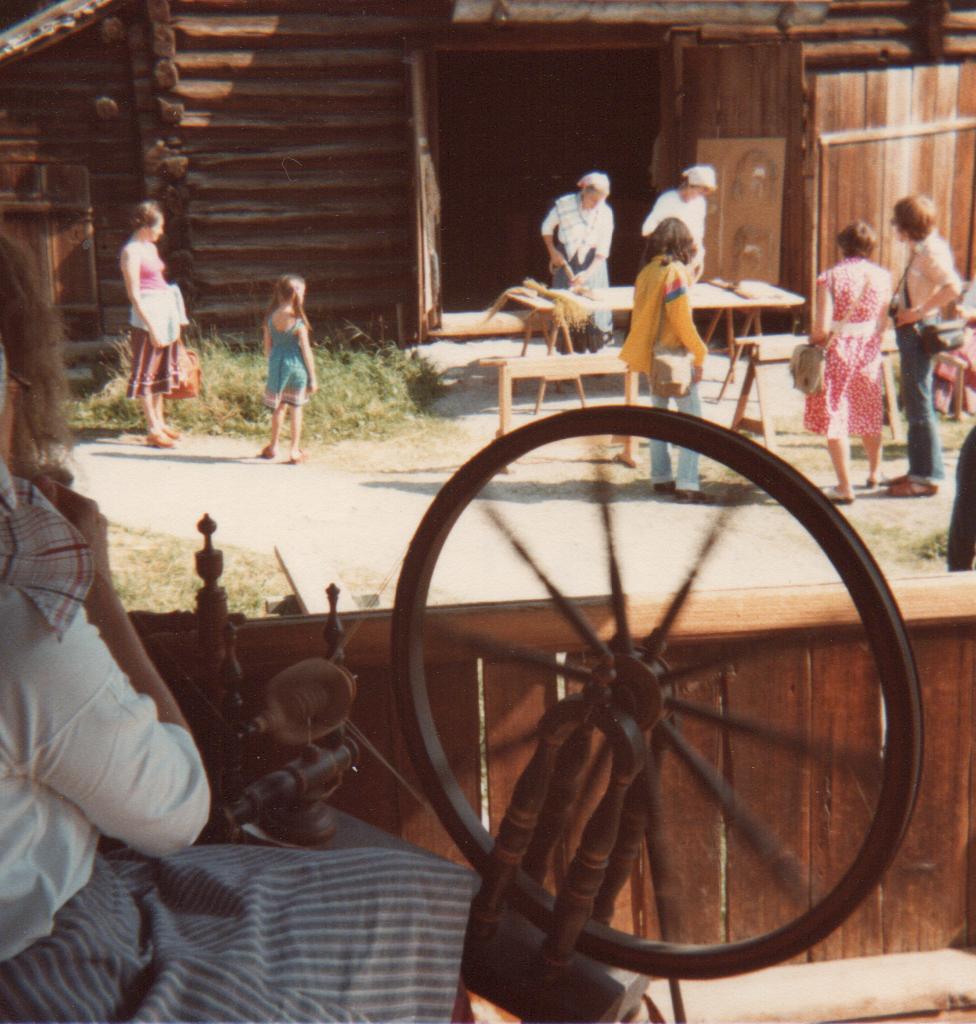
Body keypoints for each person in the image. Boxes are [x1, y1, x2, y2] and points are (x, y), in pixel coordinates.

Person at [0, 232, 476, 1021]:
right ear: (16, 390)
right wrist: (101, 590)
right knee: (414, 898)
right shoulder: (23, 630)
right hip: (52, 968)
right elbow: (180, 811)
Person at [619, 217, 709, 503]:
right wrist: (700, 352)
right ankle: (688, 483)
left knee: (658, 419)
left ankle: (661, 477)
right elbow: (681, 320)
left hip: (650, 356)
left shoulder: (646, 272)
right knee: (693, 419)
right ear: (683, 244)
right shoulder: (675, 272)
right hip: (674, 358)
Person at [803, 221, 892, 505]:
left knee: (836, 416)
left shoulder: (830, 278)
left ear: (842, 246)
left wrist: (813, 340)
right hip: (868, 349)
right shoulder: (882, 277)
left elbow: (820, 327)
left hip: (838, 350)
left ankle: (844, 485)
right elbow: (882, 322)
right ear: (871, 247)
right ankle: (875, 472)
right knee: (868, 411)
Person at [887, 194, 963, 498]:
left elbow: (952, 287)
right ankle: (918, 469)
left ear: (909, 225)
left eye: (898, 223)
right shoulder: (921, 249)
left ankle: (927, 477)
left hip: (919, 331)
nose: (895, 228)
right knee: (915, 402)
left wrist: (917, 312)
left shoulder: (932, 251)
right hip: (911, 330)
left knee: (919, 404)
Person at [120, 199, 190, 449]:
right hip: (146, 317)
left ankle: (161, 423)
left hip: (163, 312)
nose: (162, 232)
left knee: (160, 371)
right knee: (146, 372)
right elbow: (134, 294)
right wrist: (150, 326)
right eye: (159, 226)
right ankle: (152, 428)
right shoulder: (131, 252)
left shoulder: (149, 247)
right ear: (146, 225)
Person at [541, 171, 615, 352]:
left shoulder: (605, 212)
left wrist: (588, 273)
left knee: (594, 311)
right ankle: (567, 357)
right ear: (584, 192)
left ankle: (595, 361)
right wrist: (553, 252)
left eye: (601, 200)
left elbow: (603, 250)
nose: (596, 204)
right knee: (566, 309)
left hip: (593, 264)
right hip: (566, 259)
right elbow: (546, 228)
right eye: (593, 199)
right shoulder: (565, 205)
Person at [259, 274, 318, 465]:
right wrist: (313, 377)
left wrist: (275, 362)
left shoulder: (270, 319)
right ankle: (294, 450)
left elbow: (267, 349)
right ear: (295, 295)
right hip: (297, 369)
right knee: (296, 408)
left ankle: (274, 445)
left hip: (277, 367)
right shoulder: (298, 322)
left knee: (279, 407)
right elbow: (307, 351)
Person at [640, 165, 717, 282]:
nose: (700, 196)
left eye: (703, 193)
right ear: (689, 186)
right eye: (699, 192)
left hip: (686, 256)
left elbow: (698, 234)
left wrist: (699, 255)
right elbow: (647, 230)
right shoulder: (668, 199)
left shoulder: (700, 203)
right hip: (663, 257)